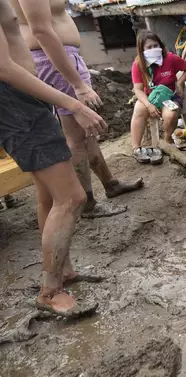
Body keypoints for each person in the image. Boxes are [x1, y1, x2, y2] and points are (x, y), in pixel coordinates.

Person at [0, 0, 107, 316]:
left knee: (48, 197)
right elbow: (4, 66)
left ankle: (64, 272)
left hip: (26, 97)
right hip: (14, 101)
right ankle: (49, 291)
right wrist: (73, 103)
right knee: (72, 199)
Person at [11, 0, 144, 218]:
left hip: (61, 58)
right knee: (76, 137)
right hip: (56, 61)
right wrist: (77, 84)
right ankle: (88, 203)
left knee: (86, 132)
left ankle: (109, 183)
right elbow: (42, 31)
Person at [130, 30, 186, 164]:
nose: (153, 49)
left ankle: (167, 139)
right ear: (142, 50)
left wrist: (180, 83)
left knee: (170, 115)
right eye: (149, 47)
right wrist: (148, 105)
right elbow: (138, 90)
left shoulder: (170, 58)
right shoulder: (138, 65)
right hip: (149, 97)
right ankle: (136, 148)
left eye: (155, 45)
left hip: (170, 97)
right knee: (139, 110)